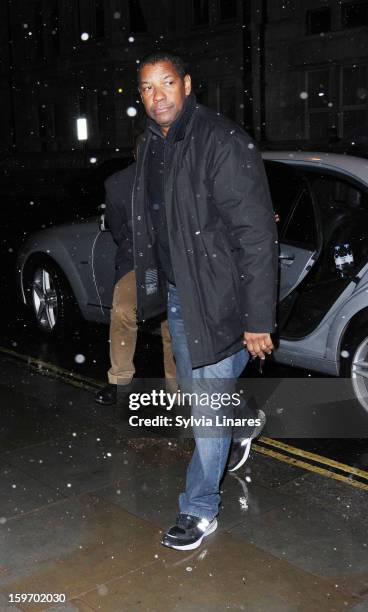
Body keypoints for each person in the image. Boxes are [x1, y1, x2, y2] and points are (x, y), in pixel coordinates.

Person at [126, 51, 278, 550]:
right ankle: (244, 423)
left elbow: (256, 236)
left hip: (222, 299)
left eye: (166, 83)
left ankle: (198, 509)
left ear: (187, 84)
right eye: (148, 88)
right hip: (181, 295)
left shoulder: (221, 141)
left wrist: (257, 318)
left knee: (207, 410)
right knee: (202, 400)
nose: (158, 95)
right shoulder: (152, 145)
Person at [94, 161, 177, 406]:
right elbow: (119, 231)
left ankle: (177, 389)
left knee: (174, 324)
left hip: (176, 261)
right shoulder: (119, 183)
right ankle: (120, 381)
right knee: (122, 311)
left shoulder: (181, 173)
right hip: (138, 260)